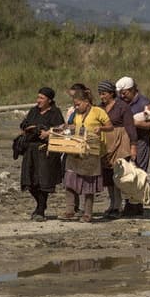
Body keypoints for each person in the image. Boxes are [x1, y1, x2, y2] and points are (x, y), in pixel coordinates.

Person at [62, 86, 109, 223]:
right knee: (70, 180)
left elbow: (110, 126)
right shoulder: (75, 114)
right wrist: (68, 127)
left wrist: (100, 128)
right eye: (74, 105)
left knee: (89, 184)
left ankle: (88, 213)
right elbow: (70, 126)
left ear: (86, 102)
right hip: (76, 151)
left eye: (78, 104)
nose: (76, 107)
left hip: (91, 152)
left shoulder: (98, 111)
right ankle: (70, 210)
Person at [17, 87, 65, 221]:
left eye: (42, 98)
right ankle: (40, 205)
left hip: (46, 151)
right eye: (38, 97)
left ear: (49, 100)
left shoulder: (55, 112)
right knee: (29, 181)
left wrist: (47, 133)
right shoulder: (33, 111)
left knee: (43, 181)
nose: (38, 101)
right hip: (31, 150)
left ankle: (40, 210)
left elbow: (61, 128)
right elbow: (24, 124)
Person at [97, 80, 137, 219]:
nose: (102, 97)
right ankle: (112, 203)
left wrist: (133, 146)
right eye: (100, 94)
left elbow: (130, 126)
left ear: (111, 93)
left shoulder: (122, 107)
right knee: (107, 175)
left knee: (117, 174)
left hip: (120, 141)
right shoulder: (100, 108)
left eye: (104, 94)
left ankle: (118, 205)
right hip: (105, 143)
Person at [117, 76, 150, 217]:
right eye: (121, 93)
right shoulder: (120, 101)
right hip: (125, 141)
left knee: (138, 171)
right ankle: (130, 203)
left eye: (125, 93)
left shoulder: (144, 103)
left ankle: (136, 204)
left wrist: (134, 123)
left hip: (141, 141)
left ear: (133, 90)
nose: (122, 96)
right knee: (126, 172)